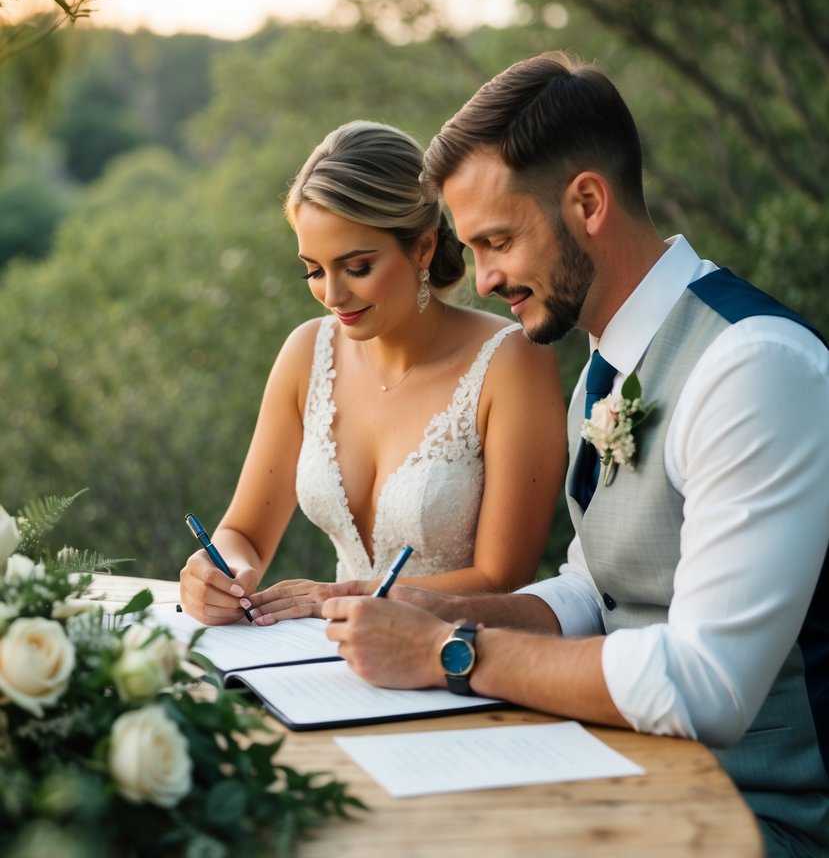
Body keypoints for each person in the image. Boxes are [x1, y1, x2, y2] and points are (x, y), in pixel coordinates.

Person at [322, 55, 829, 858]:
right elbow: (598, 590)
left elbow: (707, 688)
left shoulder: (751, 365)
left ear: (586, 201)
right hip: (634, 783)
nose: (482, 279)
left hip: (762, 823)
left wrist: (450, 654)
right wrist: (438, 611)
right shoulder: (603, 365)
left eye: (497, 241)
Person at [179, 119, 565, 627]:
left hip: (460, 664)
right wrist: (216, 571)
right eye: (314, 271)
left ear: (423, 248)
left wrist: (334, 597)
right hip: (327, 661)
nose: (333, 296)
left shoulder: (512, 362)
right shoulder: (306, 353)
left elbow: (504, 580)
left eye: (357, 267)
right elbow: (244, 534)